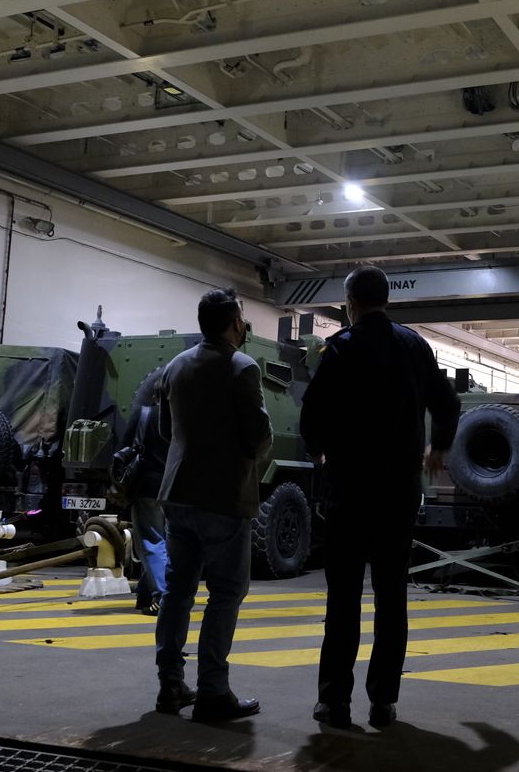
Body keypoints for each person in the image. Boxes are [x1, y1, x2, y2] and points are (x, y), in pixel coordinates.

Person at [300, 265, 460, 730]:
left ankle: (334, 702)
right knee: (392, 598)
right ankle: (383, 702)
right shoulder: (414, 346)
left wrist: (322, 451)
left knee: (344, 599)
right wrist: (438, 446)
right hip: (399, 493)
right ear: (386, 299)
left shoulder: (341, 348)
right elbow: (447, 404)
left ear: (350, 303)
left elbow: (312, 416)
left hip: (349, 492)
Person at [153, 288, 272, 722]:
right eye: (241, 317)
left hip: (177, 494)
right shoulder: (243, 367)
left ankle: (170, 686)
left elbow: (167, 431)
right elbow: (259, 436)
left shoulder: (174, 366)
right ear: (232, 323)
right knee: (225, 594)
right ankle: (213, 692)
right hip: (223, 498)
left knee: (177, 591)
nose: (244, 324)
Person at [122, 365, 170, 616]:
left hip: (147, 488)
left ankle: (162, 596)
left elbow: (125, 448)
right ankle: (145, 594)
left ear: (153, 394)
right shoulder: (186, 419)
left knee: (151, 541)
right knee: (163, 544)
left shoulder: (144, 415)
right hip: (175, 489)